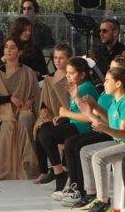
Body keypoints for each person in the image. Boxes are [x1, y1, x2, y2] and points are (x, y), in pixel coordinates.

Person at [77, 66, 125, 212]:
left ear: (118, 84)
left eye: (107, 80)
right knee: (85, 151)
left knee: (99, 158)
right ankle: (91, 193)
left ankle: (103, 201)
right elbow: (112, 122)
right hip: (120, 141)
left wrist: (103, 128)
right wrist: (94, 107)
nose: (104, 83)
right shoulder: (115, 101)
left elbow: (123, 133)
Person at [57, 61, 119, 207]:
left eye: (112, 73)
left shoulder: (123, 100)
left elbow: (115, 127)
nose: (105, 79)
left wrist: (94, 109)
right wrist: (78, 99)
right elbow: (97, 117)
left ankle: (90, 193)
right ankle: (85, 191)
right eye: (109, 69)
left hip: (116, 136)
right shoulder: (107, 93)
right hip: (106, 130)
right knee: (76, 144)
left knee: (78, 145)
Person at [38, 56, 92, 193]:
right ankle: (59, 172)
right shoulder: (77, 87)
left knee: (47, 133)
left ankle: (60, 173)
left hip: (84, 128)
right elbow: (76, 111)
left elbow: (89, 117)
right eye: (67, 73)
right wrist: (64, 117)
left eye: (71, 73)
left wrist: (66, 114)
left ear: (82, 75)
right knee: (44, 128)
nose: (68, 76)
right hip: (75, 124)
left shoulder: (85, 88)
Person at [0, 37, 39, 180]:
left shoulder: (28, 72)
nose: (8, 50)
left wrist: (29, 102)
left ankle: (29, 164)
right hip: (4, 110)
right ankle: (6, 169)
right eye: (6, 47)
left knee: (25, 118)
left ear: (20, 52)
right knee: (8, 124)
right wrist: (10, 98)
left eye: (12, 47)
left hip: (25, 109)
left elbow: (36, 94)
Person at [33, 43, 72, 185]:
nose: (57, 61)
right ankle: (45, 170)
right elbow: (44, 99)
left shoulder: (71, 77)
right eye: (55, 58)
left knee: (63, 132)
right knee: (39, 128)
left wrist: (64, 115)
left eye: (61, 58)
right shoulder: (49, 78)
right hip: (52, 114)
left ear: (69, 59)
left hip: (68, 116)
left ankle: (64, 168)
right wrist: (44, 109)